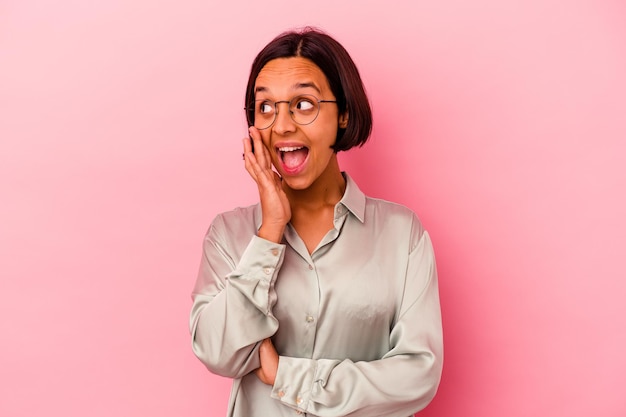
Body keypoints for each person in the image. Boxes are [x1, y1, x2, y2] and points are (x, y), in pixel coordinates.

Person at [190, 27, 443, 417]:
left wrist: (287, 376)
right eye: (266, 107)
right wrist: (270, 230)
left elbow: (417, 375)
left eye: (303, 105)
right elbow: (218, 351)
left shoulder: (401, 234)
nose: (283, 125)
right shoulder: (229, 235)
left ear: (342, 113)